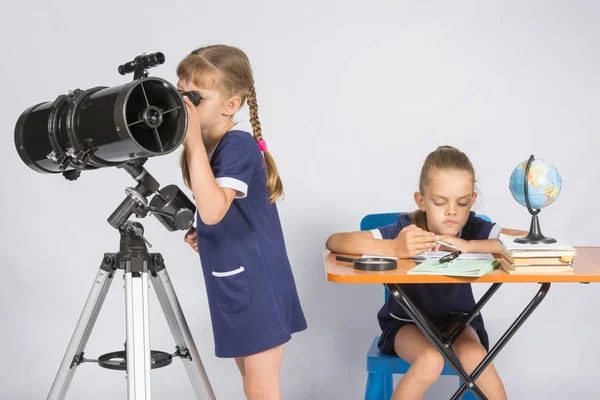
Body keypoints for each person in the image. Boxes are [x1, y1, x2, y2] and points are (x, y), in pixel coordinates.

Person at [326, 145, 526, 400]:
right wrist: (394, 247)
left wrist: (469, 245)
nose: (452, 211)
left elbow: (524, 241)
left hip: (460, 320)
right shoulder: (407, 229)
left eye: (462, 203)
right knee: (430, 360)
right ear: (421, 201)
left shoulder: (474, 227)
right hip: (405, 324)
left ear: (472, 200)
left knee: (475, 356)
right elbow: (336, 241)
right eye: (440, 202)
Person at [178, 44, 307, 400]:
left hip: (257, 282)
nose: (184, 106)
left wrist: (191, 145)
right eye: (179, 95)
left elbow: (214, 209)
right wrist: (204, 234)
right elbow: (217, 216)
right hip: (233, 281)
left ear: (230, 104)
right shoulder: (212, 148)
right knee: (251, 381)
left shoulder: (237, 145)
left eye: (194, 98)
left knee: (261, 386)